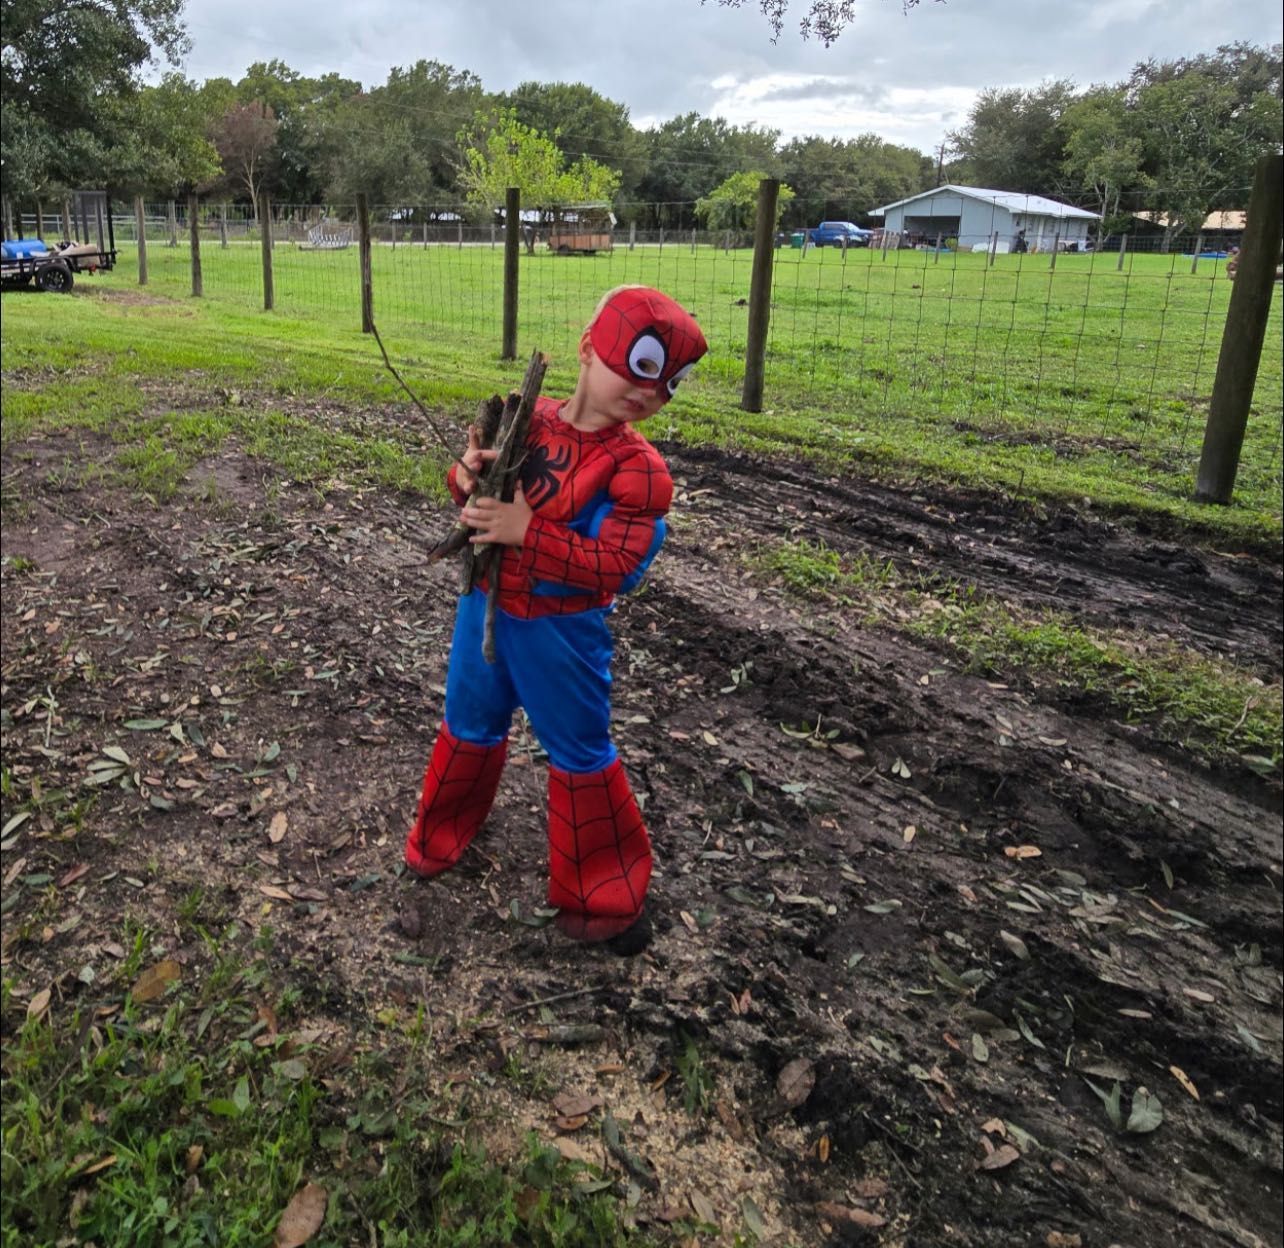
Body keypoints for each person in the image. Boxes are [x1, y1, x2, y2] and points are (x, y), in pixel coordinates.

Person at [405, 286, 708, 954]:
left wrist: (526, 532)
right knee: (468, 722)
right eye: (640, 363)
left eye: (667, 383)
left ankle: (604, 890)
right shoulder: (527, 420)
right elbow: (476, 492)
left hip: (560, 632)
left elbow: (617, 567)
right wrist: (469, 477)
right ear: (587, 347)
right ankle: (440, 834)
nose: (648, 391)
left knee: (579, 748)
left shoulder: (638, 472)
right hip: (483, 607)